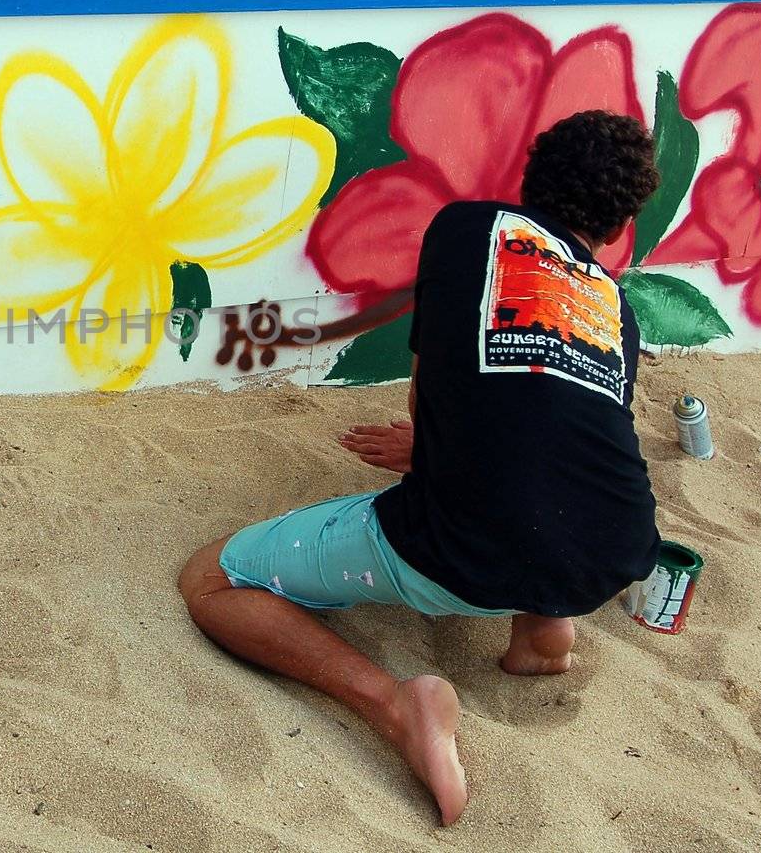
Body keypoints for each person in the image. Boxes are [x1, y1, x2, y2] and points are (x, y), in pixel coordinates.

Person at [179, 110, 664, 826]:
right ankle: (542, 632)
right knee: (546, 462)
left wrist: (427, 446)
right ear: (621, 227)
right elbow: (568, 426)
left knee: (211, 580)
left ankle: (396, 704)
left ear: (528, 182)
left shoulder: (469, 230)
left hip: (460, 552)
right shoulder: (615, 309)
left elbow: (428, 375)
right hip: (612, 551)